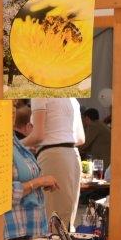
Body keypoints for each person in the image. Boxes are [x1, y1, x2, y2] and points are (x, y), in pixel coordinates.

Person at [20, 97, 85, 228]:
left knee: (52, 220)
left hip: (53, 157)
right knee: (66, 221)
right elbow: (80, 139)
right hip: (73, 155)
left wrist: (15, 145)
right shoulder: (72, 99)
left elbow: (38, 135)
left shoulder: (40, 94)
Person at [6, 112, 58, 240]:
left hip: (30, 231)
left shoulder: (14, 142)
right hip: (14, 234)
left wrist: (41, 182)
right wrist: (39, 182)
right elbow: (4, 195)